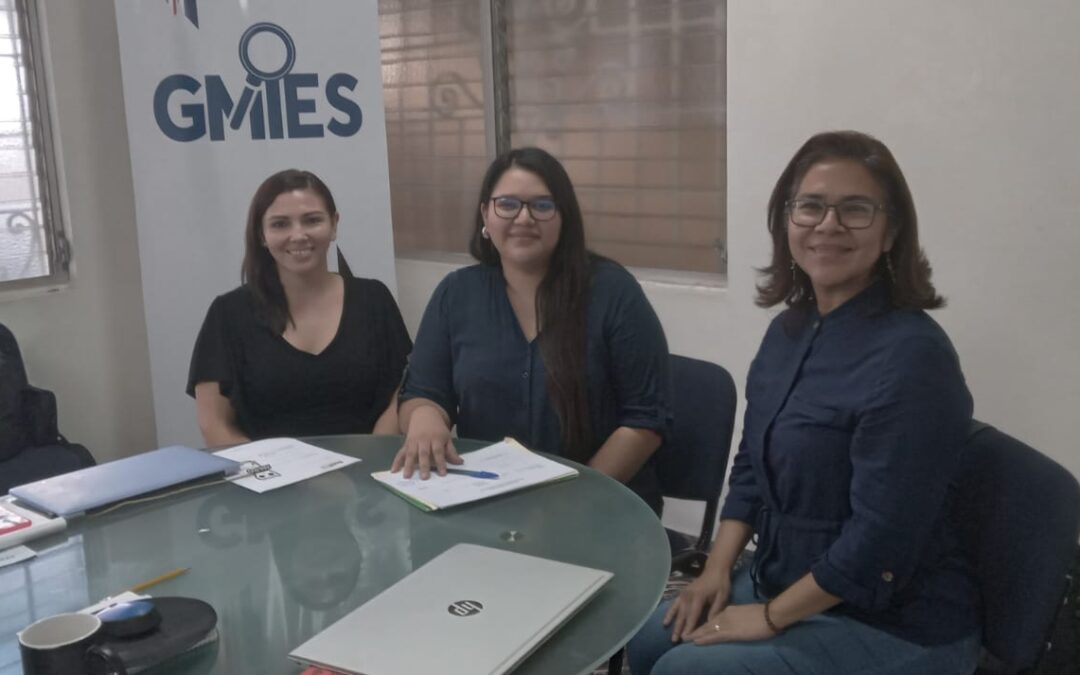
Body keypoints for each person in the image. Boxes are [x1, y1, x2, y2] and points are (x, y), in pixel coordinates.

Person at [628, 131, 981, 674]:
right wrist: (717, 570)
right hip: (782, 576)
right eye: (810, 206)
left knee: (685, 670)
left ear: (890, 233)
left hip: (891, 620)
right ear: (786, 221)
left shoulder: (914, 358)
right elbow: (750, 469)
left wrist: (769, 617)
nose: (828, 225)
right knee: (651, 640)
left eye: (855, 209)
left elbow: (881, 540)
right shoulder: (788, 331)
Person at [391, 147, 671, 513]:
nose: (524, 218)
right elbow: (422, 391)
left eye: (542, 205)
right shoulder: (457, 294)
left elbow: (645, 421)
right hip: (490, 501)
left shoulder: (613, 292)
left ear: (564, 217)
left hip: (600, 505)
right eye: (507, 204)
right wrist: (425, 416)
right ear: (485, 216)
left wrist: (574, 499)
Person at [187, 169, 411, 446]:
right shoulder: (228, 314)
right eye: (280, 224)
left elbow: (401, 394)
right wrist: (269, 474)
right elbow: (214, 425)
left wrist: (371, 461)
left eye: (312, 220)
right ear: (261, 234)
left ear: (334, 224)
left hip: (367, 475)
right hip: (268, 481)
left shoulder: (374, 299)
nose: (298, 235)